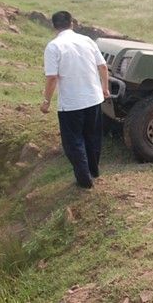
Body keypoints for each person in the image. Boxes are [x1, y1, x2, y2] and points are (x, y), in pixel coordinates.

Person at [40, 11, 110, 189]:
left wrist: (46, 101)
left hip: (71, 103)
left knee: (74, 142)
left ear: (54, 26)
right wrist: (104, 88)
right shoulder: (87, 40)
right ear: (72, 23)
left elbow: (52, 78)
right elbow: (102, 66)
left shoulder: (53, 46)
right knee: (92, 136)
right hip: (94, 98)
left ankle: (84, 180)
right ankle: (93, 172)